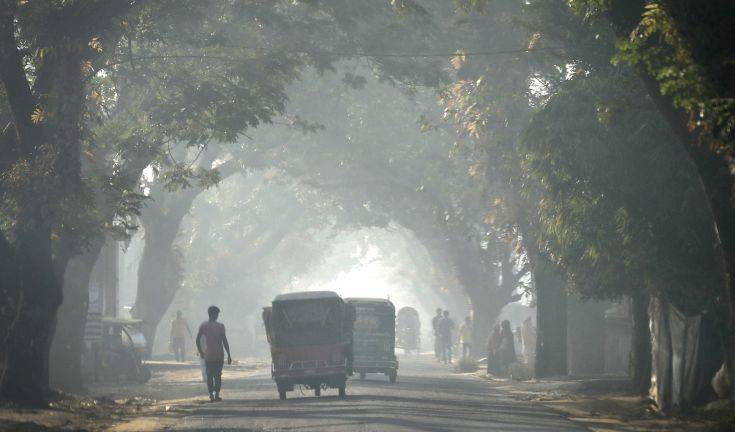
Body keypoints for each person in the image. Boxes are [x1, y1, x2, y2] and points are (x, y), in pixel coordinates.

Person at [196, 306, 232, 402]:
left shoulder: (204, 326)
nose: (217, 316)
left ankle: (211, 394)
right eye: (217, 314)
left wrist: (201, 351)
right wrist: (229, 354)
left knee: (210, 375)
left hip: (208, 355)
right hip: (218, 355)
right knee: (217, 375)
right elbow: (225, 341)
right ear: (214, 314)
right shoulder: (220, 326)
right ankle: (216, 394)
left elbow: (198, 339)